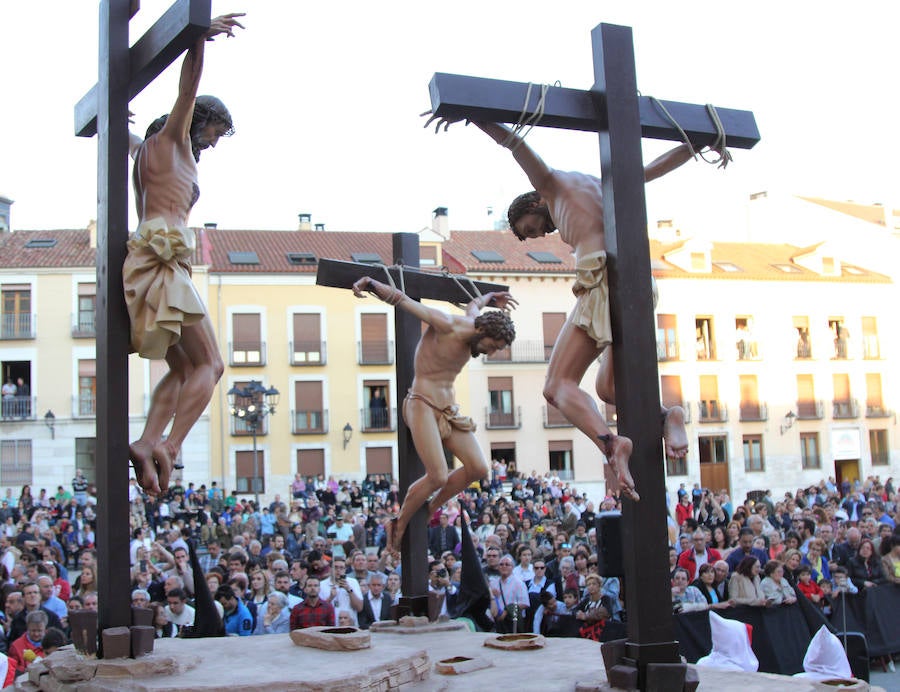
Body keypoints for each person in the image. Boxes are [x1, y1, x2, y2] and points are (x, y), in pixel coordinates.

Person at [428, 116, 697, 499]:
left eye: (532, 227)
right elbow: (649, 170)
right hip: (639, 284)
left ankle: (611, 444)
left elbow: (515, 142)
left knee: (556, 387)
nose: (541, 235)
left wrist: (472, 114)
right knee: (607, 388)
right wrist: (695, 146)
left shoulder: (551, 185)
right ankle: (667, 414)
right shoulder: (602, 185)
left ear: (535, 200)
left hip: (602, 283)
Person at [125, 12, 245, 495]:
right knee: (211, 366)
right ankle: (171, 446)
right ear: (199, 123)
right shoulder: (173, 140)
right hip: (164, 261)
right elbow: (187, 91)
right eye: (214, 131)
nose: (214, 142)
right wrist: (199, 36)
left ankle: (147, 440)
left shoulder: (143, 150)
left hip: (152, 258)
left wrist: (114, 119)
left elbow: (122, 136)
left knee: (181, 367)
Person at [352, 275, 516, 554]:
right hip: (421, 404)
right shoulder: (447, 324)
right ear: (483, 333)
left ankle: (428, 509)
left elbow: (474, 304)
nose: (491, 352)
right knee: (438, 475)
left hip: (448, 410)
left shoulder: (475, 322)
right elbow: (402, 300)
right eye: (493, 346)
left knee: (478, 468)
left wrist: (490, 298)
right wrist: (369, 283)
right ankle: (399, 523)